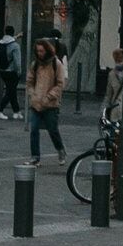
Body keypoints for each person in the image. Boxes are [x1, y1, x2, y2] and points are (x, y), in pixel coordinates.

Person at [28, 35, 70, 164]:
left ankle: (60, 149)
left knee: (52, 129)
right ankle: (35, 156)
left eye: (42, 51)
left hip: (51, 104)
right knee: (34, 128)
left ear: (47, 50)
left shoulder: (55, 64)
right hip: (36, 103)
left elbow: (60, 84)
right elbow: (29, 81)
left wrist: (49, 96)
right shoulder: (35, 65)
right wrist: (32, 94)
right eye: (38, 51)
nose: (40, 53)